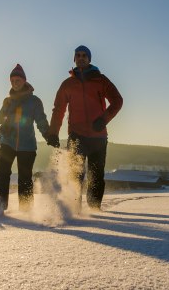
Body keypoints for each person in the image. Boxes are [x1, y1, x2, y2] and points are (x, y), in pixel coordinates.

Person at [45, 45, 123, 211]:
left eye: (84, 55)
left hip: (98, 137)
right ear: (74, 59)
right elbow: (59, 109)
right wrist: (53, 132)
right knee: (75, 175)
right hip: (77, 135)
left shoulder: (101, 80)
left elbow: (117, 101)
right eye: (78, 55)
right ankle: (74, 211)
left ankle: (95, 211)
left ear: (89, 59)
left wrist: (103, 119)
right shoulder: (67, 84)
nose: (81, 58)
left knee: (96, 176)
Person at [0, 64, 50, 213]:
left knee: (24, 178)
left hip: (27, 146)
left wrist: (49, 135)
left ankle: (26, 211)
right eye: (13, 80)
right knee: (2, 174)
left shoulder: (34, 101)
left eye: (18, 80)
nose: (15, 83)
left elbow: (41, 121)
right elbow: (0, 126)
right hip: (7, 143)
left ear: (24, 81)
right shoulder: (7, 102)